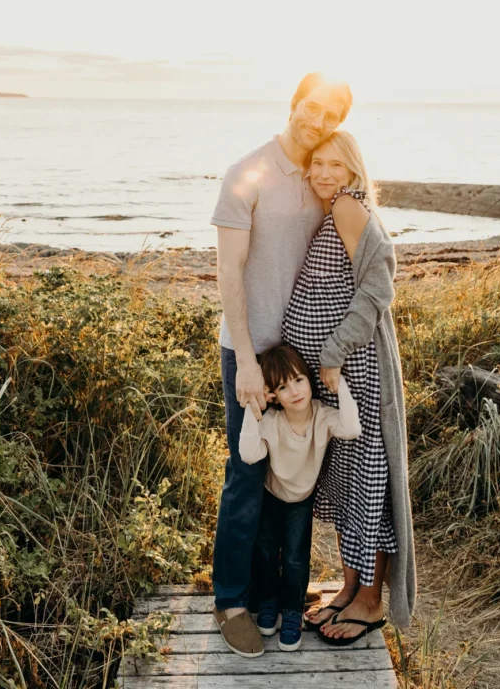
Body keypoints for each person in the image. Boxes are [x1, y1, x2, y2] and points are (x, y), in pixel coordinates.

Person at [210, 73, 353, 658]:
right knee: (246, 476)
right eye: (310, 107)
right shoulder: (246, 173)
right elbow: (227, 272)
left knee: (288, 481)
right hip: (252, 355)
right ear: (295, 104)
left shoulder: (323, 180)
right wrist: (245, 360)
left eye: (328, 115)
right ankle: (232, 601)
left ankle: (274, 595)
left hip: (300, 357)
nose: (314, 120)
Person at [282, 130, 417, 644]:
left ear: (353, 171)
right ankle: (348, 587)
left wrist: (333, 355)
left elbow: (380, 285)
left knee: (368, 486)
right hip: (333, 379)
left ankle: (369, 601)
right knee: (345, 487)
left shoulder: (347, 208)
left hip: (352, 372)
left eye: (335, 165)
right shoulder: (336, 209)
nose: (323, 173)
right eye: (317, 163)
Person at [239, 343, 361, 652]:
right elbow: (248, 453)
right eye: (282, 386)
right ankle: (268, 601)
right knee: (266, 551)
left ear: (309, 379)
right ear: (273, 395)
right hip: (272, 495)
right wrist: (253, 409)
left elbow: (351, 427)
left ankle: (292, 611)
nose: (293, 391)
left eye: (298, 380)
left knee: (295, 557)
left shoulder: (322, 415)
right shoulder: (272, 421)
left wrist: (341, 383)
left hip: (301, 501)